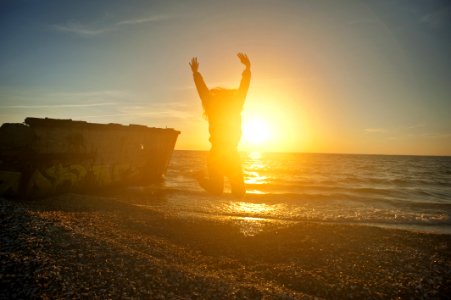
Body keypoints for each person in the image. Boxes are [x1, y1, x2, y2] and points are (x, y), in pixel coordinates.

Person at [189, 53, 251, 197]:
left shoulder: (235, 106)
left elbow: (244, 89)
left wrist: (247, 69)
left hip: (231, 154)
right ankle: (199, 177)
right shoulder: (213, 109)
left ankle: (200, 177)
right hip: (217, 154)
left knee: (240, 193)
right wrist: (196, 74)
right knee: (217, 190)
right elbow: (203, 92)